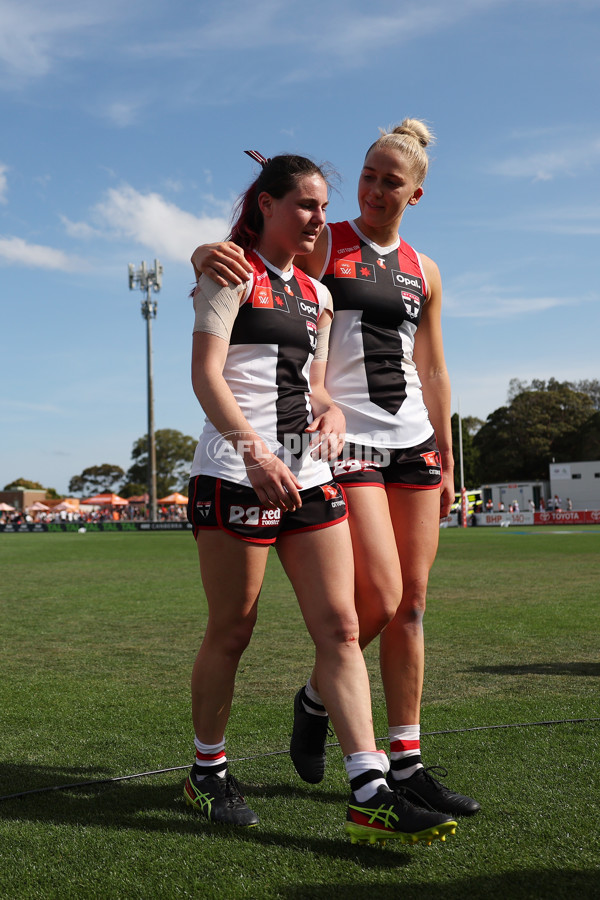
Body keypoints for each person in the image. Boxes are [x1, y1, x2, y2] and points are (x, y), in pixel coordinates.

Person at [191, 121, 480, 820]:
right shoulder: (298, 253)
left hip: (354, 456)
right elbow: (218, 352)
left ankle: (384, 777)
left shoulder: (386, 278)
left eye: (389, 180)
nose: (367, 193)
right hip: (276, 463)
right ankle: (214, 766)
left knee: (379, 615)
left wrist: (431, 450)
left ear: (416, 192)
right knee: (261, 621)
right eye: (366, 176)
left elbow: (407, 369)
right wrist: (208, 250)